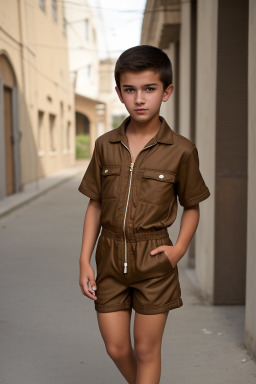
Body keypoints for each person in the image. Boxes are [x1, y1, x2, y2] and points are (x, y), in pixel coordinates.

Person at [78, 45, 210, 384]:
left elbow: (191, 205)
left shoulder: (182, 150)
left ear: (166, 92)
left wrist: (178, 249)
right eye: (130, 89)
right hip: (109, 259)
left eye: (149, 89)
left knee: (147, 349)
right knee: (117, 348)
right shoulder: (105, 145)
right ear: (119, 92)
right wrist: (84, 260)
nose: (140, 98)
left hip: (154, 260)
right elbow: (95, 203)